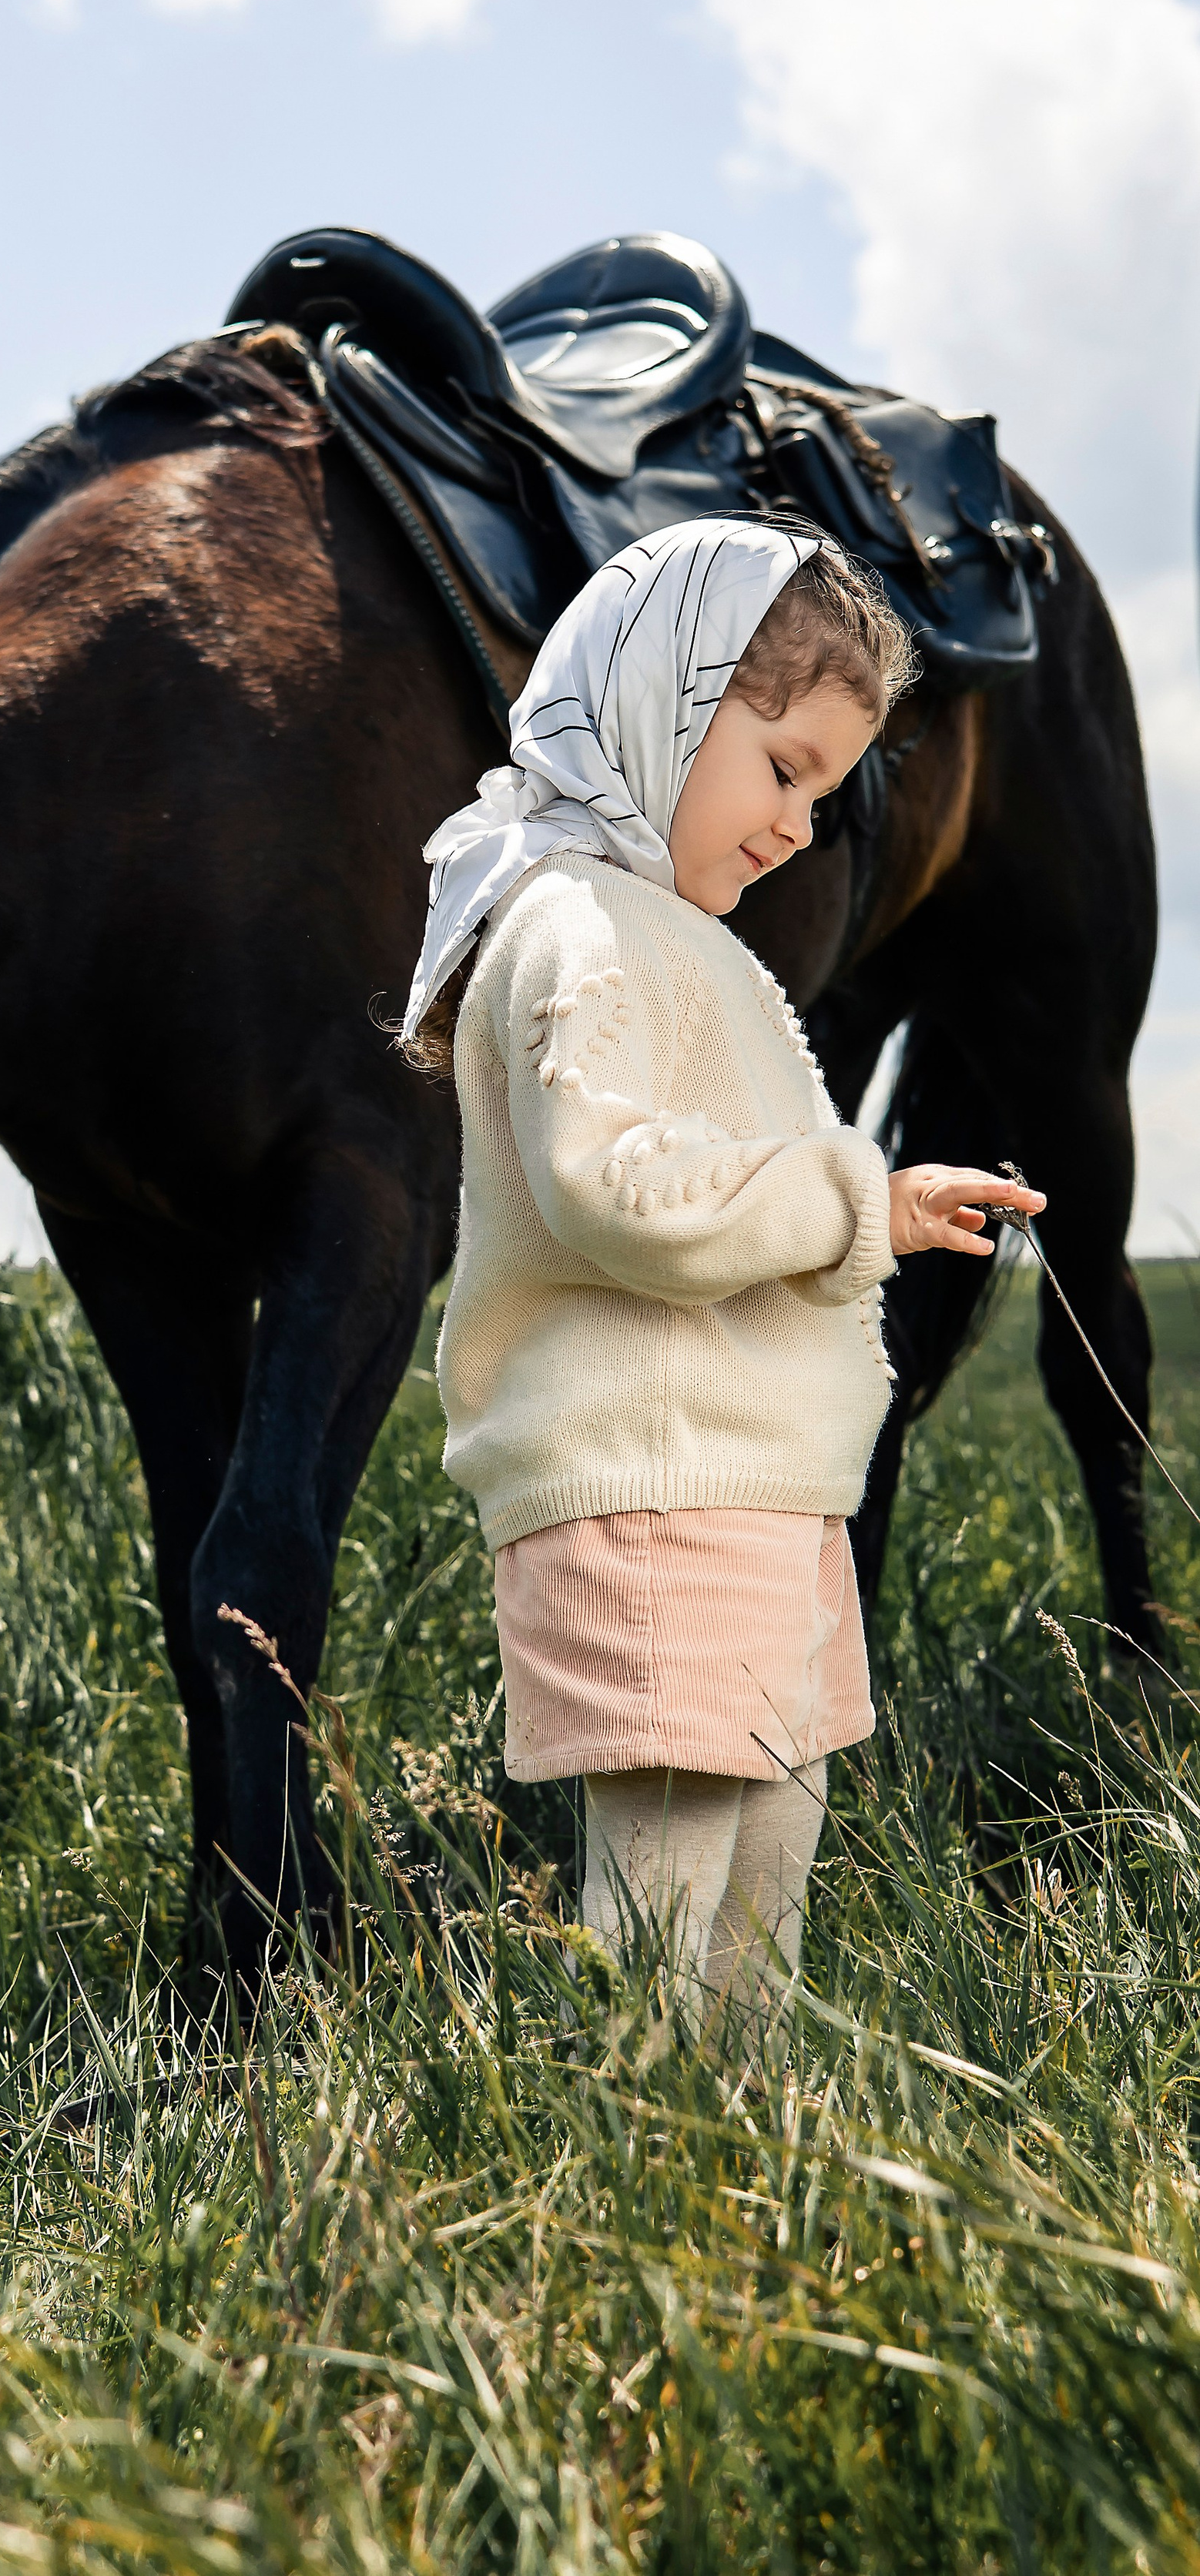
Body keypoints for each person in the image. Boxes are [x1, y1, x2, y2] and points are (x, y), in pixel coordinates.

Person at [398, 513, 1044, 2009]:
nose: (798, 825)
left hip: (740, 1490)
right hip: (648, 1489)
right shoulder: (582, 929)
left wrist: (856, 1205)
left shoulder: (659, 932)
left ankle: (731, 2166)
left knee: (762, 1870)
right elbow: (614, 1188)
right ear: (658, 704)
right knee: (668, 1890)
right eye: (779, 766)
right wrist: (848, 1206)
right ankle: (632, 2165)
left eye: (823, 788)